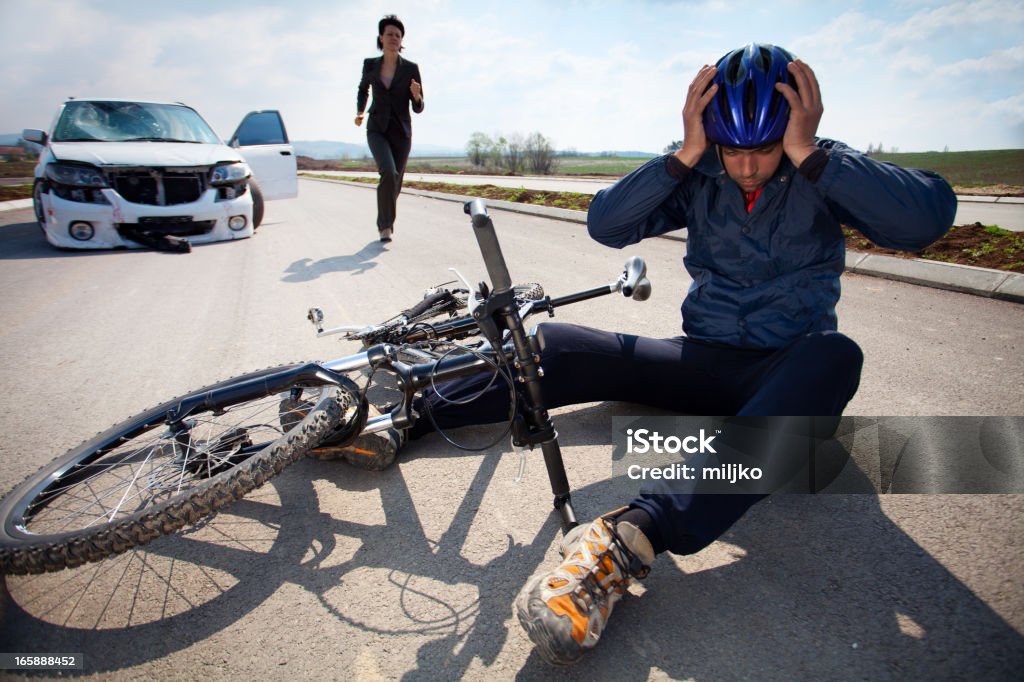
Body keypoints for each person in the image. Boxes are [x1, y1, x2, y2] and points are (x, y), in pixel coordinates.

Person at [341, 43, 957, 664]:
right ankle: (407, 417)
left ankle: (627, 540)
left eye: (764, 149)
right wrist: (685, 155)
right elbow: (606, 224)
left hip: (785, 374)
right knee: (563, 344)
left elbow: (926, 219)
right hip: (701, 360)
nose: (746, 167)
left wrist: (810, 155)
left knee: (835, 356)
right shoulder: (703, 170)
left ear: (796, 129)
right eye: (732, 149)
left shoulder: (822, 166)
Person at [355, 14, 424, 243]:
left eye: (398, 35)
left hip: (401, 132)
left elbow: (419, 107)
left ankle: (385, 213)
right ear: (381, 38)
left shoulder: (411, 68)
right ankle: (385, 226)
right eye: (389, 34)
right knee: (388, 172)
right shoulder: (370, 65)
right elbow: (363, 89)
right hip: (376, 128)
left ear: (401, 40)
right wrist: (359, 111)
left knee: (395, 182)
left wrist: (416, 96)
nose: (394, 38)